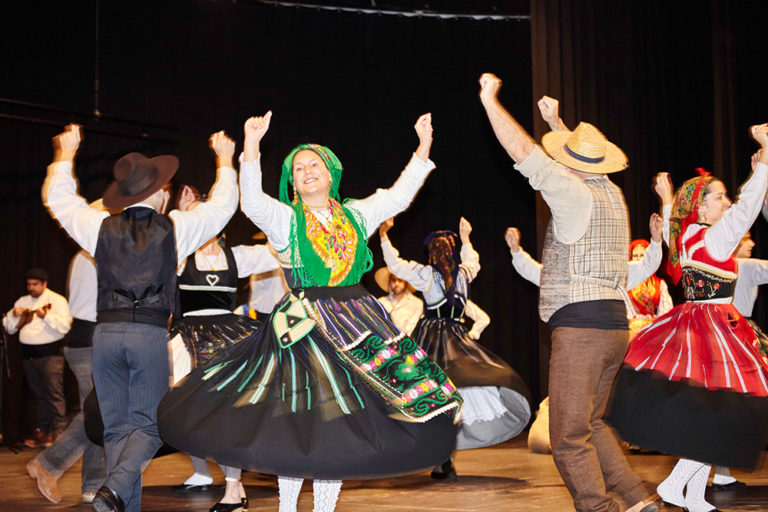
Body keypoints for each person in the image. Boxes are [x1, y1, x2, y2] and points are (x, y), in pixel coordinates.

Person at [158, 111, 463, 512]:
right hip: (303, 325)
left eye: (313, 164)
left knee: (337, 425)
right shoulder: (287, 220)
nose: (306, 172)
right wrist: (252, 146)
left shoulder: (357, 214)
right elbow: (253, 202)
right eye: (298, 169)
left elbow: (399, 196)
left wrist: (423, 147)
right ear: (293, 182)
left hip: (356, 321)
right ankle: (288, 508)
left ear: (331, 173)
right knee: (300, 422)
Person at [479, 76, 657, 512]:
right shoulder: (613, 193)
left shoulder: (572, 193)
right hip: (614, 328)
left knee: (567, 436)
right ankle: (638, 500)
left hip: (582, 329)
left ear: (571, 164)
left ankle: (600, 509)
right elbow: (576, 158)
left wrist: (490, 100)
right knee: (592, 424)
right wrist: (556, 122)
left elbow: (524, 152)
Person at [42, 124, 239, 512]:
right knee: (150, 425)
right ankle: (113, 488)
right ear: (162, 193)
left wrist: (65, 155)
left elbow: (59, 199)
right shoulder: (176, 227)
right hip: (148, 333)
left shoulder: (98, 226)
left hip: (105, 335)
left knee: (116, 429)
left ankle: (118, 503)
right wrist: (226, 160)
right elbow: (224, 206)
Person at [607, 127, 768, 512]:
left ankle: (693, 495)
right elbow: (747, 207)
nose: (728, 202)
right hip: (715, 327)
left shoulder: (689, 236)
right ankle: (676, 483)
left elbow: (674, 227)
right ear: (702, 207)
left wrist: (666, 200)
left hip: (698, 324)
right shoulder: (714, 239)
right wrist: (765, 158)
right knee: (725, 411)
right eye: (720, 196)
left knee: (711, 411)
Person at [380, 216, 531, 480]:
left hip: (433, 339)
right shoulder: (463, 274)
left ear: (431, 253)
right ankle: (442, 456)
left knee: (431, 391)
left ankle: (441, 457)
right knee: (452, 389)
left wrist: (384, 236)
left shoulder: (427, 275)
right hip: (457, 337)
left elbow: (395, 264)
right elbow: (473, 262)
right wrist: (466, 238)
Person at [505, 215, 663, 456]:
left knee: (603, 405)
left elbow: (646, 266)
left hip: (612, 346)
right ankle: (570, 440)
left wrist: (656, 240)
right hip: (582, 347)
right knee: (577, 404)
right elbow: (537, 273)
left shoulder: (614, 270)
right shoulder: (568, 273)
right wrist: (516, 251)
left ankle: (613, 441)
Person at [169, 185, 281, 512]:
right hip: (189, 340)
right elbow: (168, 238)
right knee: (190, 412)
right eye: (196, 217)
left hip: (230, 338)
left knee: (228, 413)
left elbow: (279, 248)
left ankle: (233, 487)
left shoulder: (237, 256)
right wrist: (181, 212)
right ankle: (213, 476)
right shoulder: (180, 257)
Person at [25, 250, 106, 504]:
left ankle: (92, 486)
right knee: (98, 412)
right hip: (91, 340)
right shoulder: (96, 252)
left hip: (88, 339)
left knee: (97, 414)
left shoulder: (83, 254)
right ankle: (49, 464)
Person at [3, 268, 72, 448]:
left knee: (54, 395)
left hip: (50, 355)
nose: (31, 288)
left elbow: (65, 327)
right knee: (38, 396)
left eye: (35, 284)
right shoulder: (22, 301)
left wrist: (46, 316)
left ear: (44, 284)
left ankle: (60, 434)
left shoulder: (57, 300)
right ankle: (43, 433)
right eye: (29, 284)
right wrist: (13, 315)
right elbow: (9, 328)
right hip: (28, 356)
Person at [374, 237, 424, 337]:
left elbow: (417, 330)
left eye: (400, 280)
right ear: (389, 282)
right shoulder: (381, 302)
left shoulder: (417, 303)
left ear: (406, 282)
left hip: (411, 342)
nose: (396, 283)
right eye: (393, 280)